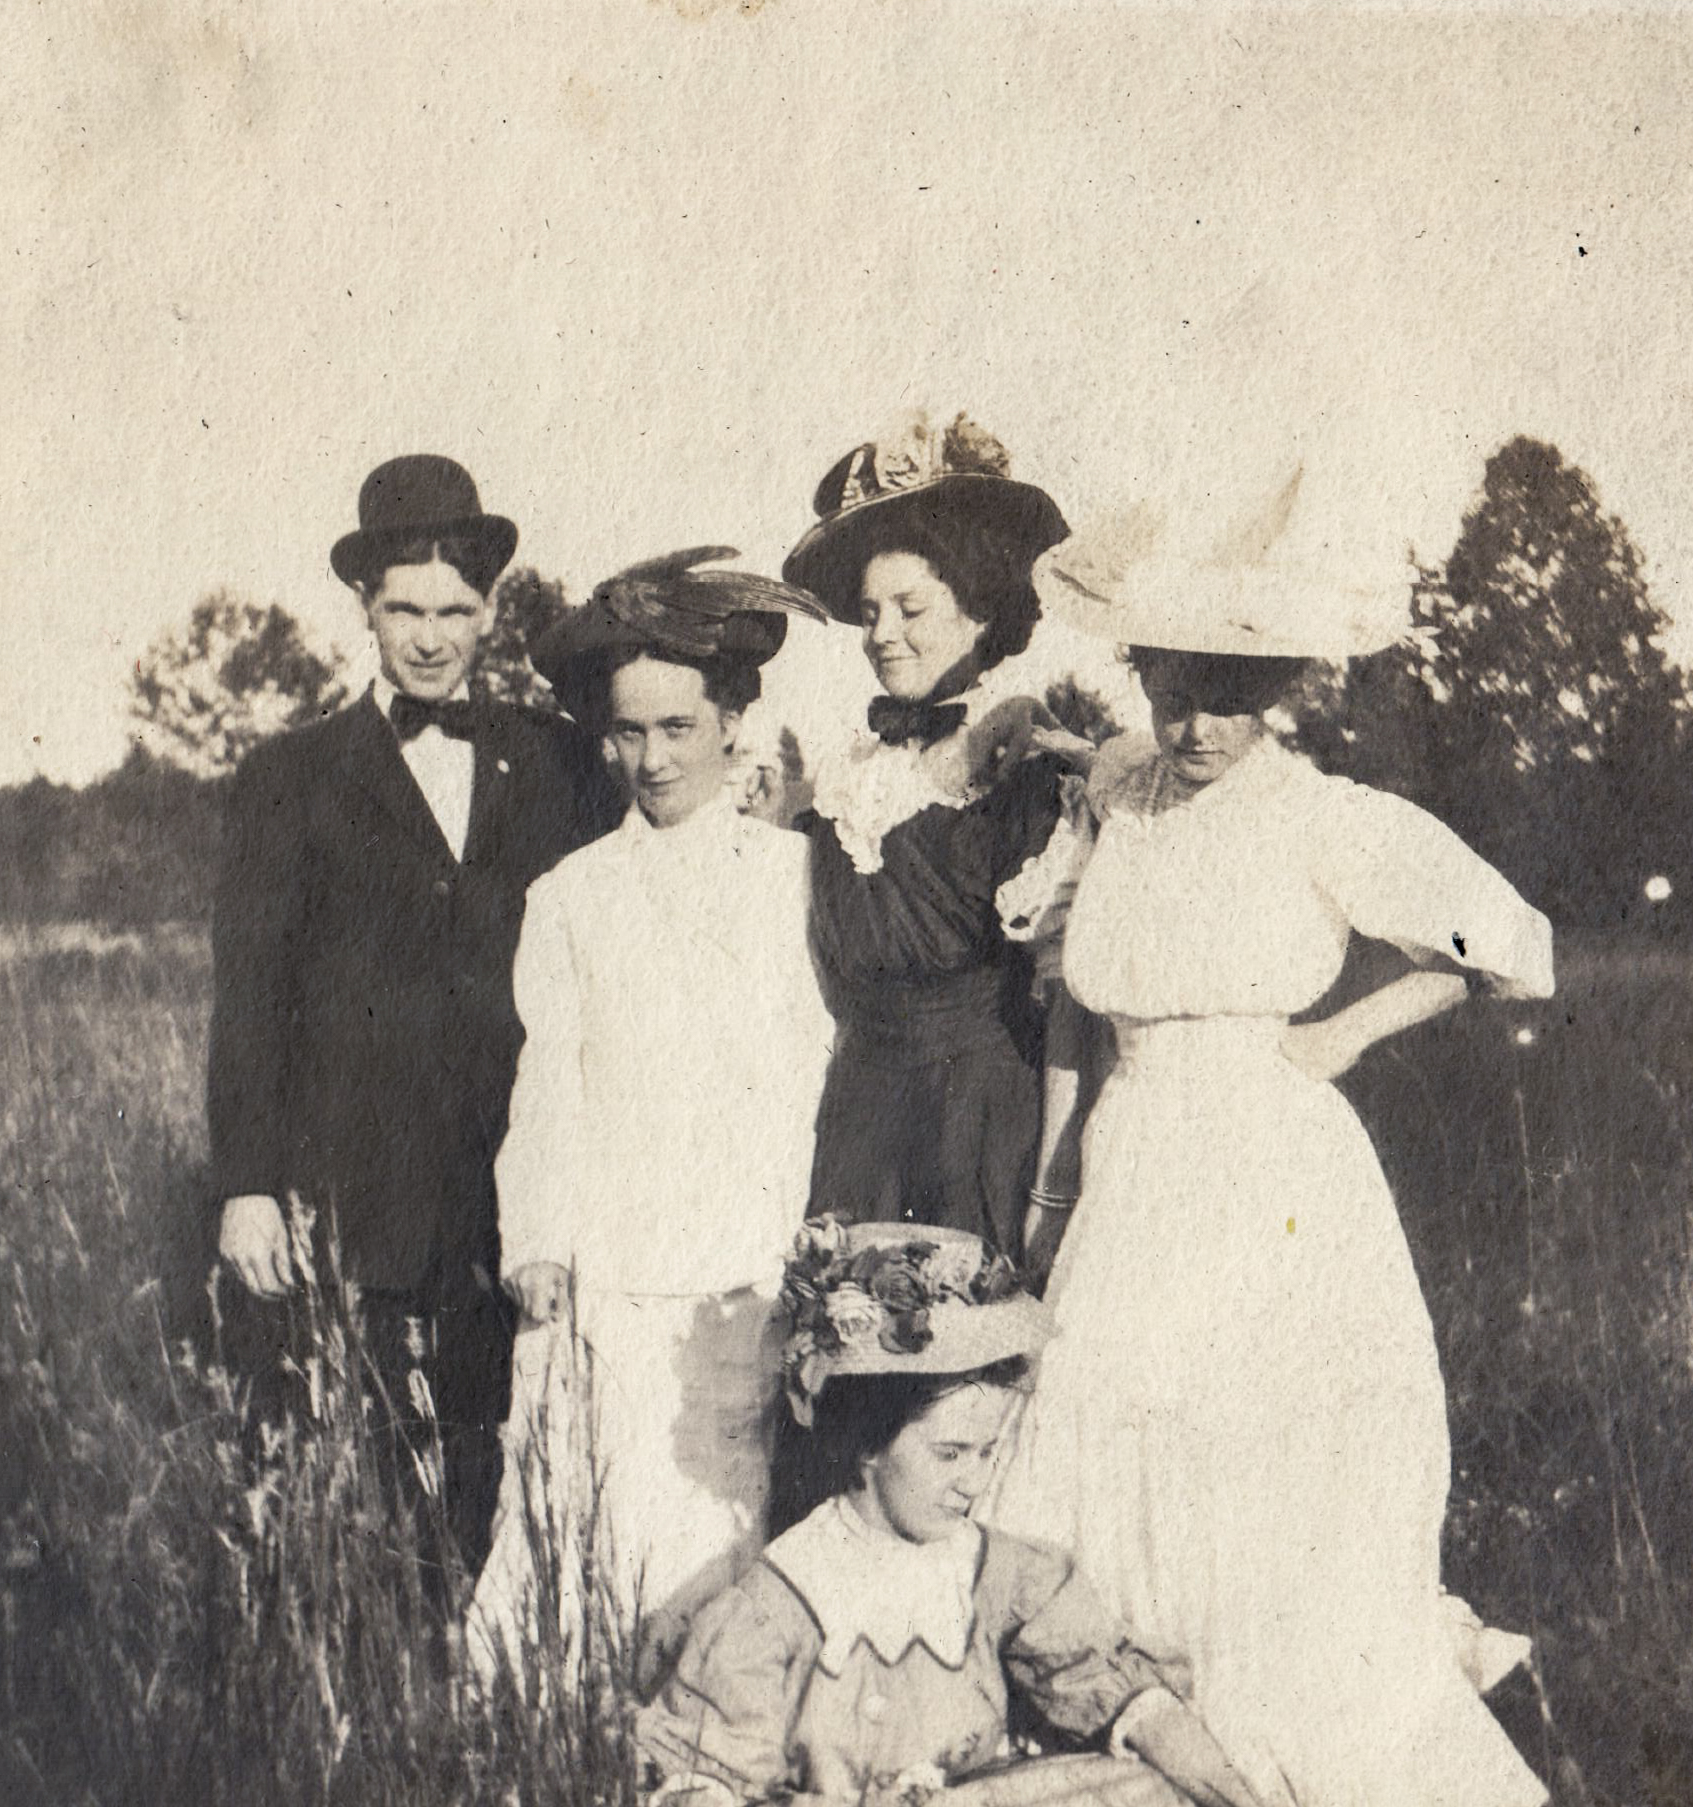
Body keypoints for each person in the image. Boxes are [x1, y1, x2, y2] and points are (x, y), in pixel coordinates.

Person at [995, 467, 1555, 1807]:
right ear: (1141, 677)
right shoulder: (1119, 797)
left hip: (1266, 1155)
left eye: (1233, 696)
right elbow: (1078, 1015)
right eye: (1176, 688)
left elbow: (1509, 948)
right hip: (1133, 1152)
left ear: (1287, 689)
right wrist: (1050, 1185)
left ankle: (1268, 1720)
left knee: (1252, 1434)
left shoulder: (1319, 812)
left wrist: (1336, 1037)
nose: (1198, 723)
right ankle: (1137, 1714)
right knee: (1108, 1410)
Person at [207, 453, 623, 1587]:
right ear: (365, 609)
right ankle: (394, 1656)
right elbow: (251, 989)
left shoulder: (562, 763)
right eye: (405, 609)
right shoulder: (290, 774)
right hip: (357, 1171)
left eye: (455, 609)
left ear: (491, 610)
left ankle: (502, 1647)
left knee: (511, 1429)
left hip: (515, 1169)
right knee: (372, 1444)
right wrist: (246, 1181)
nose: (431, 636)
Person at [469, 550, 835, 1685]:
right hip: (610, 1262)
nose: (651, 758)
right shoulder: (571, 895)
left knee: (717, 1524)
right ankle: (547, 1730)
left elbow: (814, 1071)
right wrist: (534, 1238)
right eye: (627, 733)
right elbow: (550, 1085)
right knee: (580, 1514)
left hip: (743, 1265)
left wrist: (806, 1248)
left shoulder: (799, 880)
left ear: (733, 721)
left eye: (678, 727)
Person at [638, 1219, 1262, 1807]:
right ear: (866, 1444)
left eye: (988, 1450)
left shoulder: (1000, 1576)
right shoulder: (780, 1603)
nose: (975, 1480)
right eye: (950, 1454)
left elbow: (1111, 1684)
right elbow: (708, 1775)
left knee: (1140, 1784)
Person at [781, 411, 1082, 1264]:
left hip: (982, 1124)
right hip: (859, 1124)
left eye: (910, 608)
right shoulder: (844, 778)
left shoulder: (1029, 771)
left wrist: (1051, 1190)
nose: (882, 634)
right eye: (870, 611)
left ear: (980, 611)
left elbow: (1066, 1007)